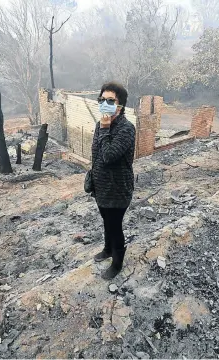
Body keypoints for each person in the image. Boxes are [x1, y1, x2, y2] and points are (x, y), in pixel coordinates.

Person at [91, 82, 136, 280]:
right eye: (102, 99)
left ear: (121, 105)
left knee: (114, 226)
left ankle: (117, 263)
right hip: (101, 187)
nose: (104, 104)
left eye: (110, 100)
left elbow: (109, 155)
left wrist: (105, 128)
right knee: (106, 221)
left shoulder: (126, 129)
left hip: (117, 189)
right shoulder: (100, 125)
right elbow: (96, 155)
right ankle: (108, 249)